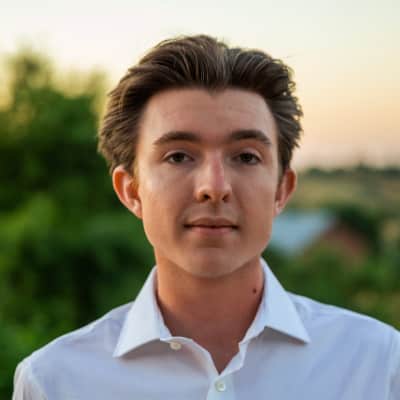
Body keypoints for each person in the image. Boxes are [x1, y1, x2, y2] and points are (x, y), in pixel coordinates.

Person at [13, 35, 399, 399]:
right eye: (178, 156)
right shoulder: (55, 381)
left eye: (246, 156)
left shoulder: (379, 365)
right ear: (131, 190)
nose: (214, 187)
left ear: (282, 190)